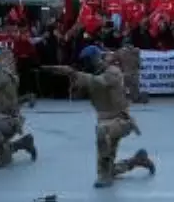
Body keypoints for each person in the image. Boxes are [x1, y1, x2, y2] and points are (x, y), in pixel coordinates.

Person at [44, 46, 155, 188]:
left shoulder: (112, 72)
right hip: (105, 121)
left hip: (121, 121)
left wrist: (72, 72)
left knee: (102, 131)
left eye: (88, 60)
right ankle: (136, 161)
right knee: (107, 168)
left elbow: (100, 82)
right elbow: (78, 95)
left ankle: (105, 176)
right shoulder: (94, 75)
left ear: (96, 59)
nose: (86, 64)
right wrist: (70, 77)